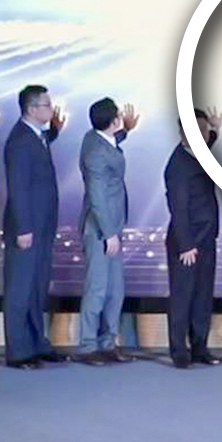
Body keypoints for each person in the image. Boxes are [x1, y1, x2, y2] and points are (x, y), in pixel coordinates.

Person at [1, 87, 66, 370]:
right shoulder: (20, 141)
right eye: (47, 105)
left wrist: (55, 130)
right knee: (20, 288)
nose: (52, 109)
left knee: (37, 286)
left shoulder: (37, 136)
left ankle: (37, 343)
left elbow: (46, 140)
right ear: (31, 109)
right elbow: (18, 188)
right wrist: (23, 228)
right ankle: (18, 351)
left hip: (43, 226)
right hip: (26, 228)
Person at [76, 96, 138, 364]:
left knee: (115, 290)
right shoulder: (96, 154)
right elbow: (97, 196)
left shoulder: (95, 138)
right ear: (114, 121)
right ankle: (88, 345)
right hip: (101, 230)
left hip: (113, 227)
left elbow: (110, 143)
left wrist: (126, 131)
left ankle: (108, 342)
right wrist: (109, 233)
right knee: (98, 289)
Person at [163, 107, 222, 369]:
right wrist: (186, 244)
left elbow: (208, 145)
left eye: (204, 130)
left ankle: (200, 347)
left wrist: (216, 130)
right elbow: (177, 207)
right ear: (183, 132)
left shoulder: (200, 151)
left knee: (203, 295)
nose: (203, 135)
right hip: (186, 242)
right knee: (182, 296)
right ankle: (179, 351)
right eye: (198, 130)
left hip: (207, 237)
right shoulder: (177, 165)